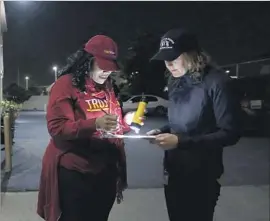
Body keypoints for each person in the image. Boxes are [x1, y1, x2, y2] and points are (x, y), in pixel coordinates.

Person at [147, 29, 241, 221]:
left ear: (192, 54)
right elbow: (179, 123)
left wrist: (181, 142)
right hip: (174, 172)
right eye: (165, 58)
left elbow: (230, 132)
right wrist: (162, 131)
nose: (169, 64)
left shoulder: (217, 82)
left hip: (201, 177)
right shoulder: (175, 82)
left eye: (174, 57)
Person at [37, 35, 130, 221]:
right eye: (101, 65)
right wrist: (95, 124)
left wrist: (127, 121)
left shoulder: (108, 87)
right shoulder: (66, 84)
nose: (106, 72)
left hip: (105, 170)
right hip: (76, 172)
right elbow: (58, 128)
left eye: (110, 67)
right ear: (87, 61)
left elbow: (113, 123)